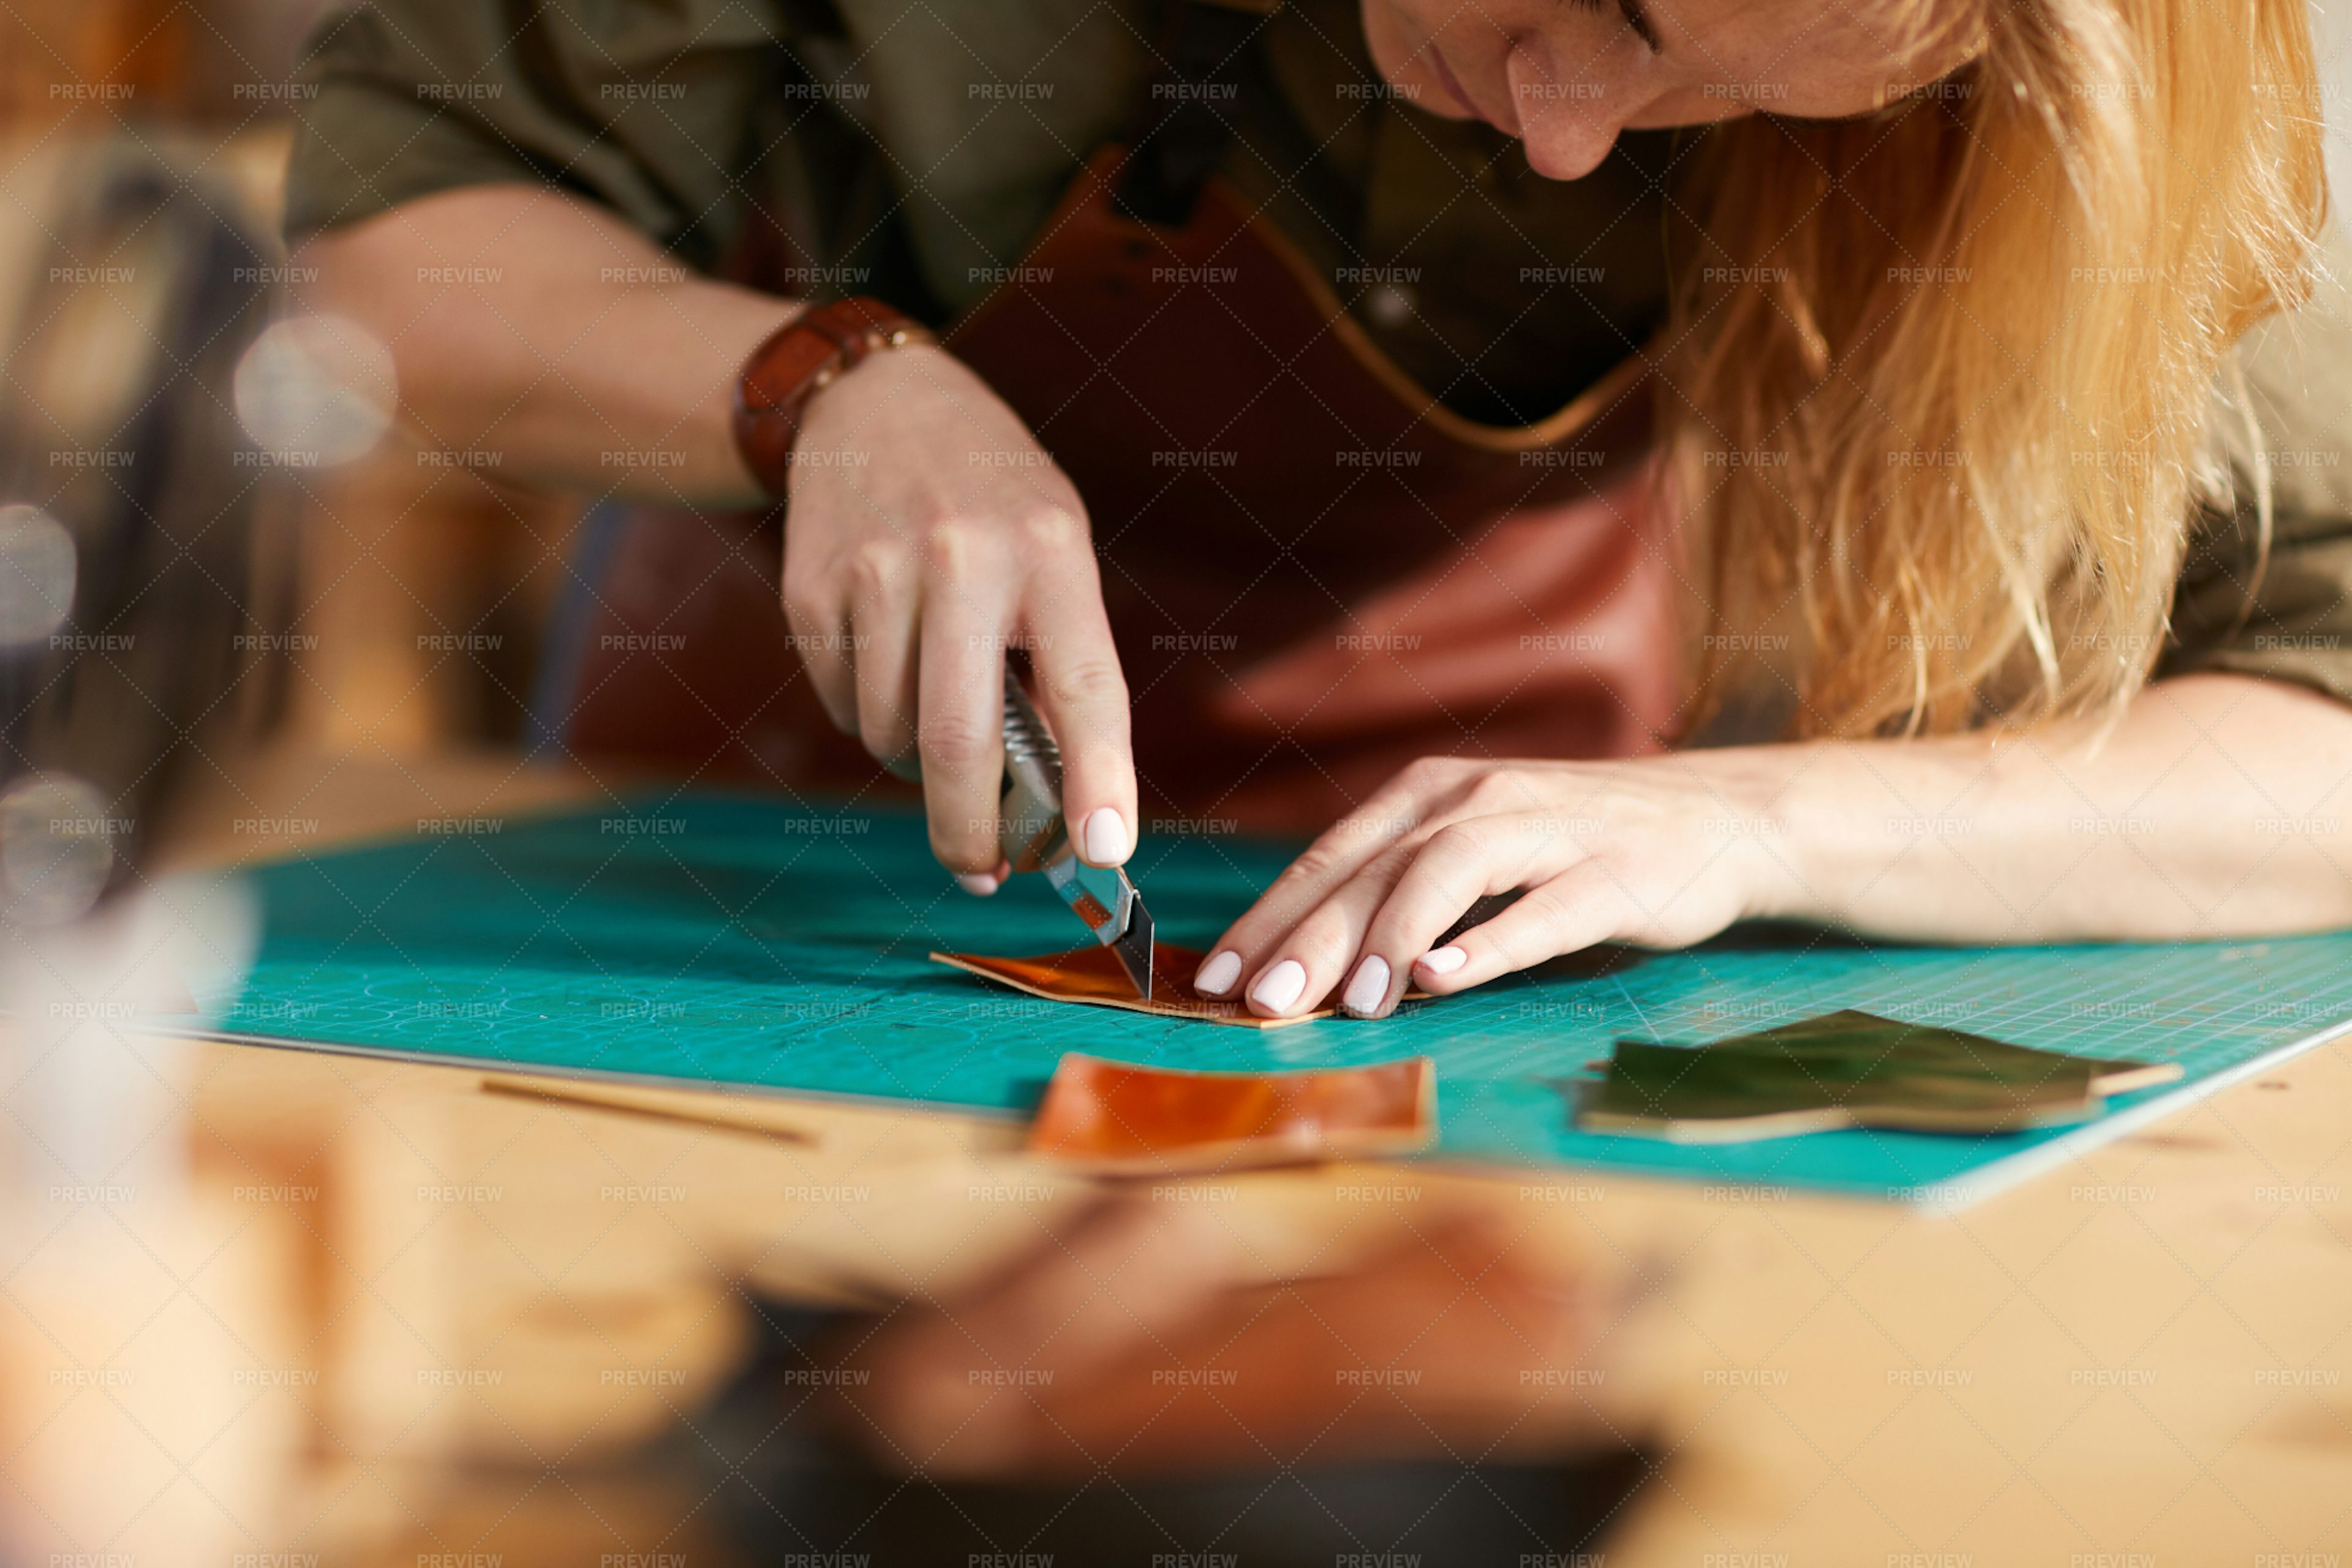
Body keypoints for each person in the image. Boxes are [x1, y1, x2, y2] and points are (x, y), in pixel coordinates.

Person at [285, 0, 2350, 1039]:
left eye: (1730, 98)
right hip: (739, 902)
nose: (1558, 135)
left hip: (1476, 1032)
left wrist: (1763, 823)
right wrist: (815, 380)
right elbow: (385, 269)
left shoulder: (2110, 89)